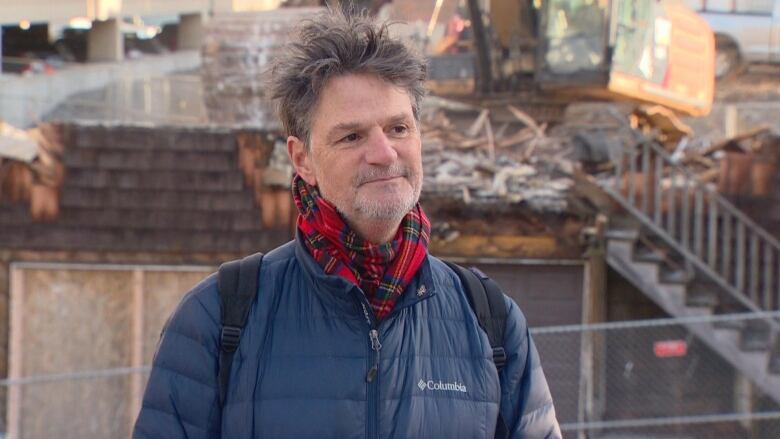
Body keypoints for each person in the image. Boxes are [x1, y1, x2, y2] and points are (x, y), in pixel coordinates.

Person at [133, 9, 560, 439]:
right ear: (302, 159)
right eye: (352, 136)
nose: (385, 153)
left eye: (398, 128)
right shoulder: (220, 320)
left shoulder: (490, 321)